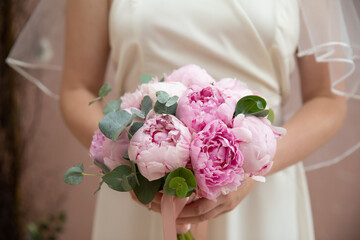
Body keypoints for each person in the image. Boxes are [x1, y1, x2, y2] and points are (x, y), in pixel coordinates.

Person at [32, 0, 356, 239]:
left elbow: (327, 100)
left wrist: (248, 169)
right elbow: (77, 89)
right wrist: (133, 157)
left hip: (261, 192)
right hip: (142, 188)